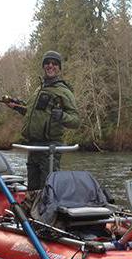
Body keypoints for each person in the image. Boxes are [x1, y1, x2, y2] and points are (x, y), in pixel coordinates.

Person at [7, 50, 80, 195]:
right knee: (32, 190)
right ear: (43, 66)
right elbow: (30, 112)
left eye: (54, 63)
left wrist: (62, 116)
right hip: (33, 147)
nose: (50, 66)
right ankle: (32, 215)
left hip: (50, 149)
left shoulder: (64, 91)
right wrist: (17, 106)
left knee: (47, 191)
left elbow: (76, 121)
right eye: (47, 63)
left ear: (59, 68)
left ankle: (48, 216)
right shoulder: (38, 90)